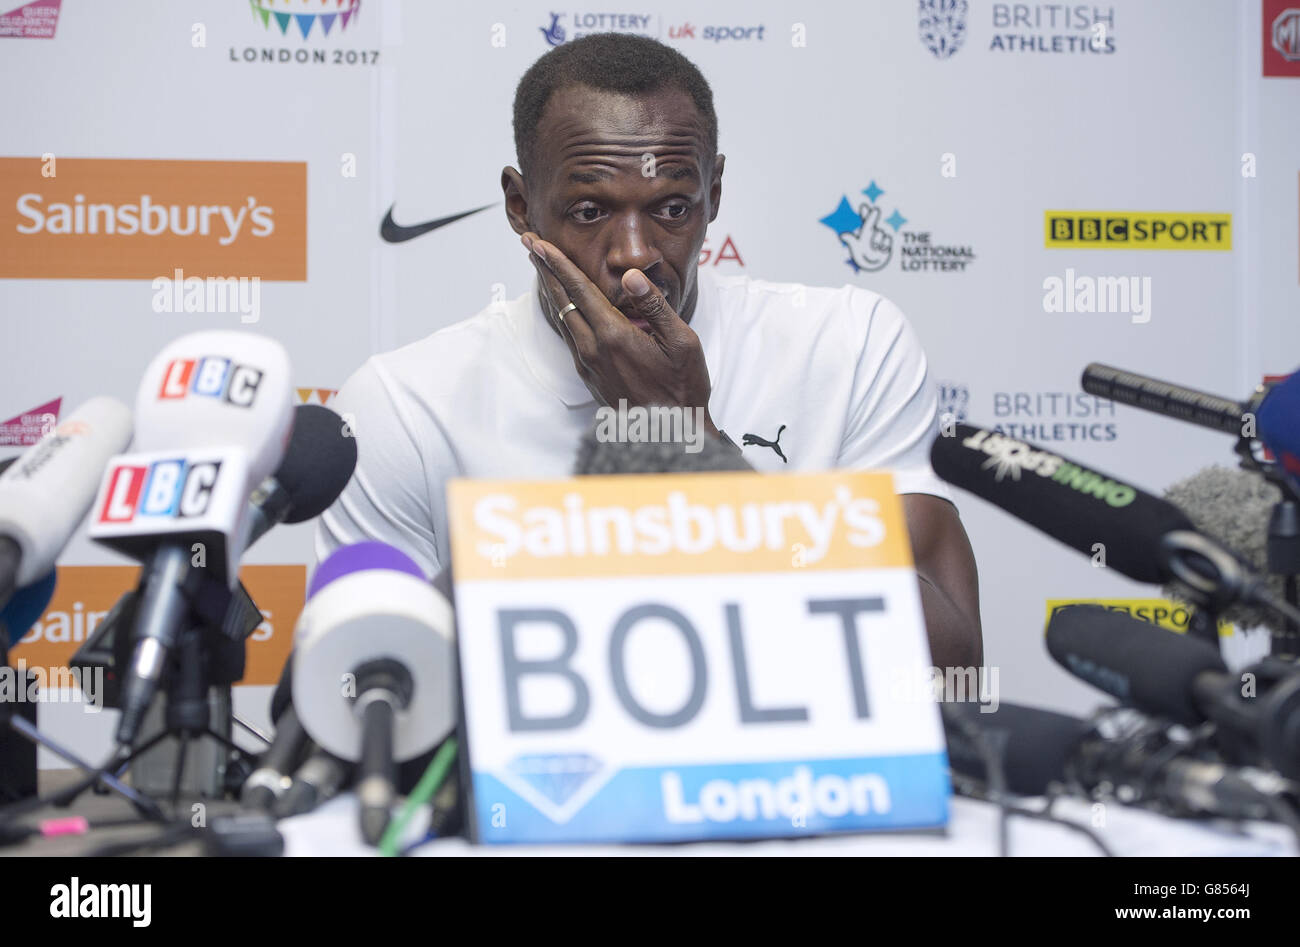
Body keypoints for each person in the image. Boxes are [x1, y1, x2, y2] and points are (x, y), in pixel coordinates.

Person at [317, 33, 982, 670]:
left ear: (712, 194)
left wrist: (689, 442)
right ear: (521, 207)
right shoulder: (404, 406)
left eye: (670, 208)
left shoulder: (849, 345)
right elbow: (365, 708)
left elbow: (950, 667)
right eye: (588, 211)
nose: (634, 255)